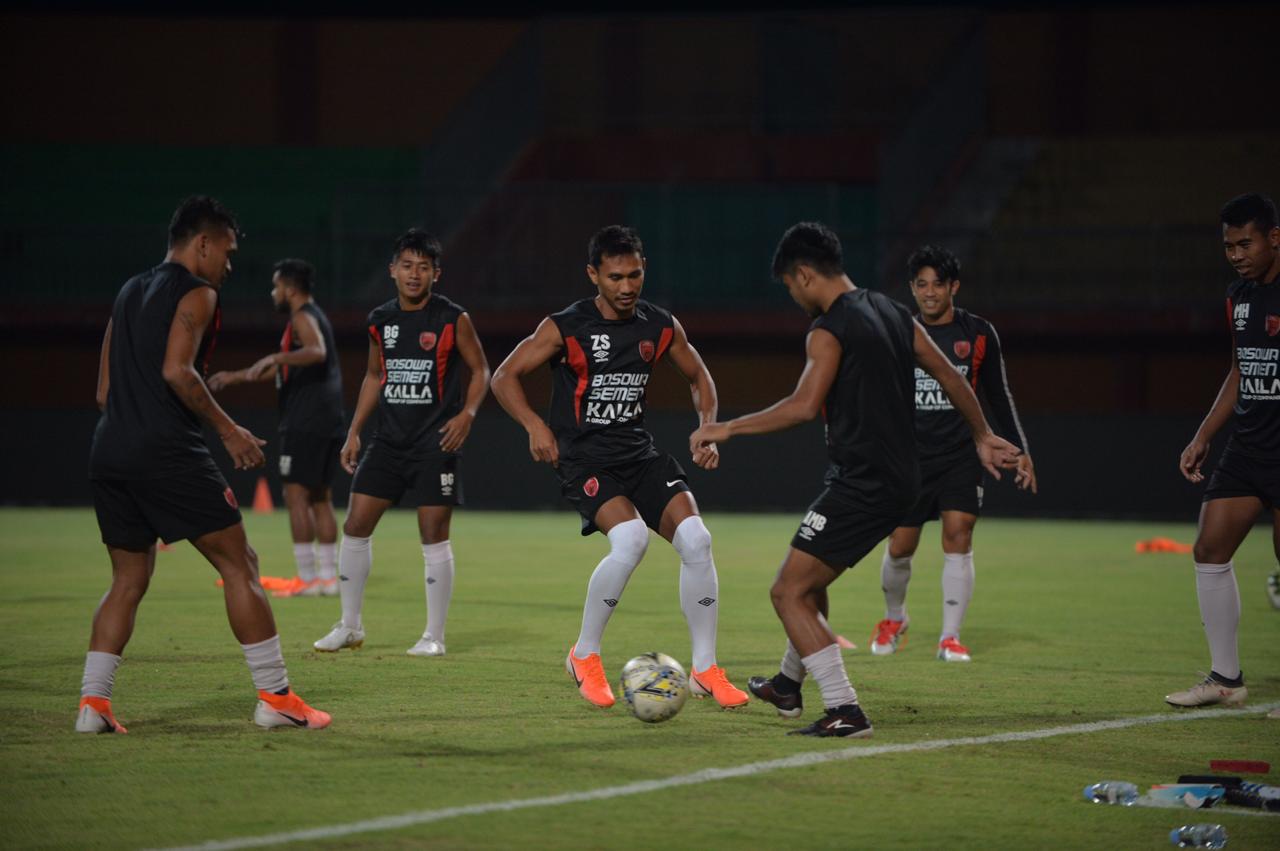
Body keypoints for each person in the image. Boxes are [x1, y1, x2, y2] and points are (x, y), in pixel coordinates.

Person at [689, 222, 1020, 737]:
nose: (794, 297)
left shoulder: (828, 328)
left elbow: (803, 406)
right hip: (902, 479)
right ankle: (787, 683)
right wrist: (981, 435)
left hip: (863, 481)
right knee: (809, 579)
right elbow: (951, 375)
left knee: (787, 593)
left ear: (804, 274)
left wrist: (725, 427)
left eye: (790, 287)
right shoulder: (893, 312)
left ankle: (845, 709)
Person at [82, 196, 330, 733]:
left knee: (128, 578)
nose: (230, 264)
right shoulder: (198, 292)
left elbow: (103, 391)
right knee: (240, 562)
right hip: (165, 449)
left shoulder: (128, 291)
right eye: (228, 250)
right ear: (202, 243)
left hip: (109, 449)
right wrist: (229, 430)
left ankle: (93, 706)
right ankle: (276, 699)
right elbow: (177, 370)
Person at [490, 225, 749, 710]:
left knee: (698, 540)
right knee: (630, 540)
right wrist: (533, 425)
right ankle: (584, 655)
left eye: (634, 275)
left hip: (639, 454)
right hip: (585, 459)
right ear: (593, 275)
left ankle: (705, 669)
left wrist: (708, 425)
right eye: (615, 277)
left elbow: (698, 375)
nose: (627, 287)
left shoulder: (659, 324)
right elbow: (504, 376)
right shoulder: (564, 327)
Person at [313, 228, 489, 658]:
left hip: (436, 443)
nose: (414, 274)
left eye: (423, 268)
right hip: (388, 441)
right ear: (392, 271)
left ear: (436, 274)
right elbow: (375, 376)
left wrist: (466, 415)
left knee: (432, 534)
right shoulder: (380, 320)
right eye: (407, 266)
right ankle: (350, 625)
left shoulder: (452, 319)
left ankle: (433, 636)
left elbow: (481, 370)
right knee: (354, 526)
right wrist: (355, 430)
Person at [867, 245, 1036, 662]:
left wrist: (1021, 449)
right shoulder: (899, 332)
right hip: (910, 457)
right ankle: (895, 617)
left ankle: (950, 637)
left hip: (962, 454)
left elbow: (998, 394)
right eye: (920, 285)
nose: (928, 293)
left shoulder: (978, 334)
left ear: (953, 287)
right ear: (911, 288)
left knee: (959, 534)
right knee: (900, 546)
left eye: (937, 285)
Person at [1171, 192, 1280, 716]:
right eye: (1229, 245)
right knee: (1210, 548)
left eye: (1246, 243)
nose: (1236, 254)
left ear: (1274, 238)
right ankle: (1226, 678)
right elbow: (1240, 371)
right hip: (1249, 444)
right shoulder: (1238, 296)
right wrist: (1202, 435)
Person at [209, 259, 345, 598]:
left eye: (276, 286)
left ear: (290, 288)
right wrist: (237, 376)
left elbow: (316, 352)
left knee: (295, 495)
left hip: (305, 421)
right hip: (327, 419)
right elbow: (286, 366)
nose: (274, 293)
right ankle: (328, 579)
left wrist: (277, 358)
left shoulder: (302, 317)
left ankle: (309, 578)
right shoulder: (315, 316)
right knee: (320, 497)